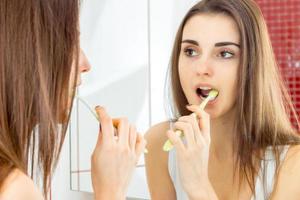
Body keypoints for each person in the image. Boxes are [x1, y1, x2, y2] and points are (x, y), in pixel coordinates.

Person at [145, 0, 300, 199]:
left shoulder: (293, 165)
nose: (202, 68)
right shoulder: (161, 144)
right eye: (190, 51)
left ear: (253, 66)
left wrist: (199, 186)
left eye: (225, 54)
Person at [0, 0, 146, 199]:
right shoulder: (15, 189)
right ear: (26, 52)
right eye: (71, 43)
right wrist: (111, 190)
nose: (86, 64)